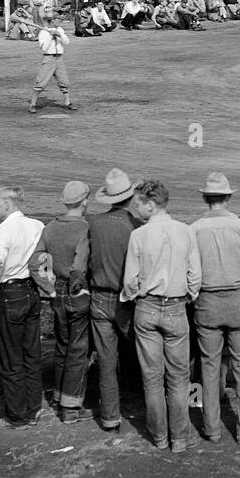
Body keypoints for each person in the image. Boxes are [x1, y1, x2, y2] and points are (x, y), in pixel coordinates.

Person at [121, 180, 200, 452]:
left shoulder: (138, 236)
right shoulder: (186, 231)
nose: (135, 209)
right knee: (179, 377)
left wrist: (132, 295)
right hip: (177, 306)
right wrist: (188, 295)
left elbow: (130, 281)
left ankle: (159, 436)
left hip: (146, 307)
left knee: (152, 377)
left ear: (151, 205)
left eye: (138, 203)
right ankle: (179, 437)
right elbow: (195, 276)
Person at [189, 172, 240, 444]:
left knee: (209, 367)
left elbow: (191, 273)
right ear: (228, 198)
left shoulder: (193, 229)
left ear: (206, 198)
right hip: (239, 301)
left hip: (207, 302)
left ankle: (211, 428)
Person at [0, 186, 46, 430]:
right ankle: (34, 408)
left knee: (11, 357)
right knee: (31, 353)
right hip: (32, 291)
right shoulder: (37, 225)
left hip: (10, 293)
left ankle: (17, 416)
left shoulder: (4, 230)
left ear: (7, 205)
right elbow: (44, 260)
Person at [33, 181, 92, 424]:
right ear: (85, 201)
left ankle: (58, 396)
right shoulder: (85, 229)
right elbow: (81, 263)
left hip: (56, 290)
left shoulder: (49, 228)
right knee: (79, 349)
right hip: (77, 290)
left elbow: (36, 261)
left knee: (62, 344)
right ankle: (70, 406)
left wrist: (48, 286)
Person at [87, 169, 139, 432]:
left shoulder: (94, 224)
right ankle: (146, 405)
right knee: (145, 353)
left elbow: (84, 262)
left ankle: (110, 416)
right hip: (127, 299)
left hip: (99, 295)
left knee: (106, 362)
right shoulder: (136, 225)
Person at [29, 8, 75, 114]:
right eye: (58, 19)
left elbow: (67, 42)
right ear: (53, 20)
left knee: (64, 81)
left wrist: (59, 34)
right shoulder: (43, 33)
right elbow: (44, 48)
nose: (60, 21)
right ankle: (32, 104)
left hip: (59, 58)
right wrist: (50, 36)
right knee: (41, 82)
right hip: (48, 58)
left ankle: (67, 102)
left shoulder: (59, 29)